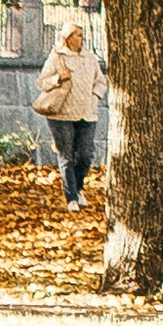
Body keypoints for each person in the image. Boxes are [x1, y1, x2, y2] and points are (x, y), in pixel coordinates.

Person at [33, 16, 106, 209]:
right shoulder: (57, 56)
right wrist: (58, 78)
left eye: (82, 36)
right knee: (66, 155)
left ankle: (79, 187)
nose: (82, 39)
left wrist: (95, 96)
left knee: (85, 154)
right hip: (62, 114)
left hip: (87, 113)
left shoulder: (90, 58)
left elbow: (101, 81)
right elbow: (42, 82)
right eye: (79, 36)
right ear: (69, 38)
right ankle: (71, 197)